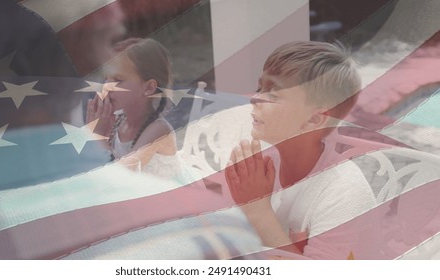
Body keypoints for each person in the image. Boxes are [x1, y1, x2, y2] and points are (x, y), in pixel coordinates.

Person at [225, 41, 381, 259]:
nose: (255, 97)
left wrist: (257, 210)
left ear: (314, 119)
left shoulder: (344, 191)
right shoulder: (262, 166)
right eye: (261, 88)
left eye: (274, 95)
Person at [86, 38, 198, 183]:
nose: (107, 86)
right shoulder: (118, 121)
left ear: (149, 88)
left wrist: (97, 136)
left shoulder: (158, 130)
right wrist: (100, 133)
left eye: (118, 80)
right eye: (106, 78)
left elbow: (125, 178)